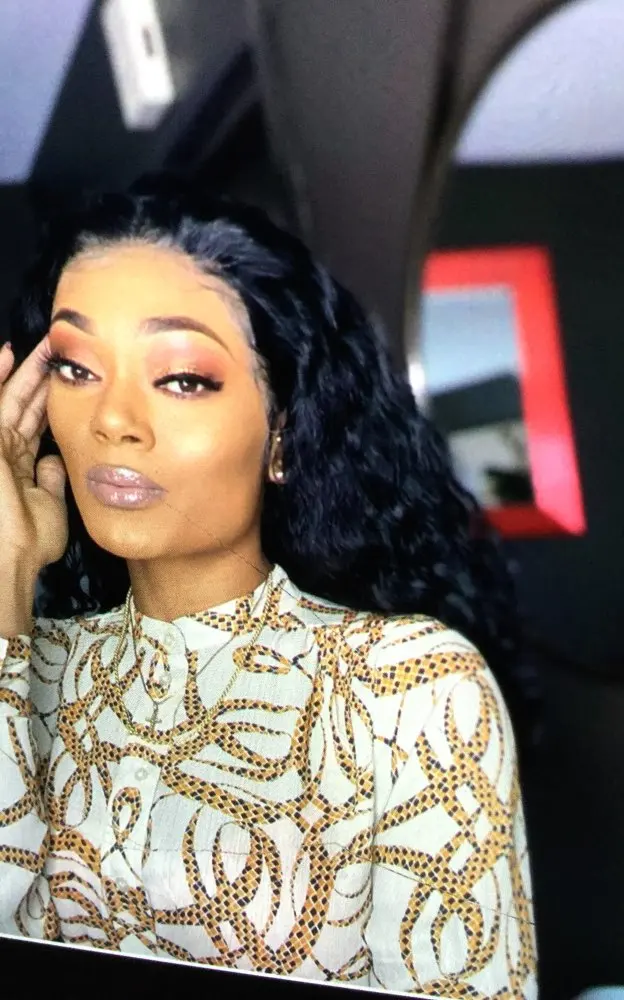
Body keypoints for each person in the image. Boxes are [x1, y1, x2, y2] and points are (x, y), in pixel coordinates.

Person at [0, 179, 537, 998]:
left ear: (282, 426)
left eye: (181, 378)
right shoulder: (28, 662)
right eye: (77, 368)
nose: (112, 420)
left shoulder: (409, 690)